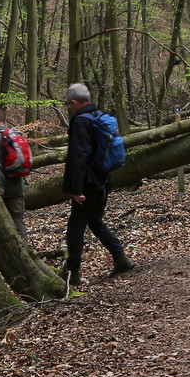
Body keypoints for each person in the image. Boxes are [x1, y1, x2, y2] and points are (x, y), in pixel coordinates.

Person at [61, 83, 134, 285]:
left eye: (69, 104)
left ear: (75, 102)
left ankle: (72, 274)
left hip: (88, 184)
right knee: (95, 221)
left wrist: (76, 189)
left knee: (76, 226)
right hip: (103, 180)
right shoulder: (99, 117)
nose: (69, 107)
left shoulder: (81, 122)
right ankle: (121, 259)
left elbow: (79, 156)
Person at [0, 106, 29, 241]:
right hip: (19, 187)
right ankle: (27, 255)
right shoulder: (16, 134)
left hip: (5, 191)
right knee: (19, 223)